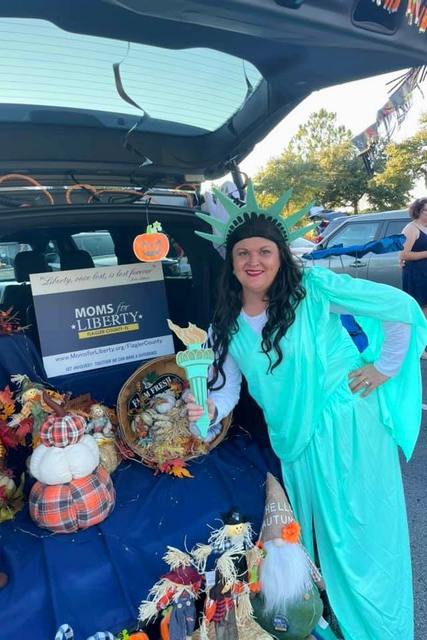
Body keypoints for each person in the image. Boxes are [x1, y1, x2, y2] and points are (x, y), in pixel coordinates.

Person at [190, 180, 427, 640]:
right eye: (243, 253)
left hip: (348, 423)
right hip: (294, 439)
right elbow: (226, 391)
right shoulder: (224, 325)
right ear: (231, 262)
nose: (254, 261)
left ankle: (384, 629)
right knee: (325, 538)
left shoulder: (312, 289)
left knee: (363, 534)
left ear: (280, 256)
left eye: (265, 251)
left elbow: (398, 307)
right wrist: (206, 412)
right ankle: (340, 619)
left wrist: (384, 367)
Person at [400, 197, 427, 358]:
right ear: (418, 211)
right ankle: (419, 348)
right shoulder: (411, 229)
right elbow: (404, 254)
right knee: (419, 311)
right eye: (426, 211)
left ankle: (422, 344)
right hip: (416, 275)